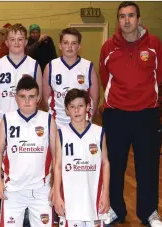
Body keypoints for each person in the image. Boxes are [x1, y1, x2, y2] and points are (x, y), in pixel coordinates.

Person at [99, 2, 162, 226]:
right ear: (118, 20)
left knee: (147, 166)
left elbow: (159, 75)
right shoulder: (108, 47)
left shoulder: (154, 44)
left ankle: (149, 212)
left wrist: (144, 97)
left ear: (138, 18)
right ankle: (115, 209)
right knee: (115, 165)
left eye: (130, 16)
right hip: (116, 114)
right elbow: (104, 76)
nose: (126, 21)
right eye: (122, 16)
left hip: (146, 115)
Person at [0, 76, 57, 227]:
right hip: (13, 189)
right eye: (23, 97)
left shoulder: (47, 119)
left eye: (31, 97)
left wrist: (56, 185)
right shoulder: (8, 119)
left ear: (38, 98)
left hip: (41, 190)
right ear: (16, 98)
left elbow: (57, 154)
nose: (27, 101)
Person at [53, 88, 110, 227]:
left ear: (88, 107)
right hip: (70, 201)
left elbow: (105, 163)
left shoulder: (98, 132)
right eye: (72, 107)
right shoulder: (61, 134)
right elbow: (58, 166)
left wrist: (106, 193)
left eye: (80, 106)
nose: (76, 110)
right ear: (67, 110)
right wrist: (57, 195)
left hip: (94, 199)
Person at [43, 28, 99, 129]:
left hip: (81, 123)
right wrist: (53, 118)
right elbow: (46, 97)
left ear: (79, 46)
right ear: (60, 45)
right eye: (66, 43)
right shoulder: (50, 66)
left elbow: (94, 98)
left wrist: (88, 119)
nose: (69, 47)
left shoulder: (88, 67)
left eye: (73, 43)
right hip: (57, 123)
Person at [0, 23, 42, 129]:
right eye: (12, 39)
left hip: (28, 123)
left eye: (20, 39)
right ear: (6, 42)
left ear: (26, 42)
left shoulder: (34, 65)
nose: (16, 42)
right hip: (2, 122)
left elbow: (39, 96)